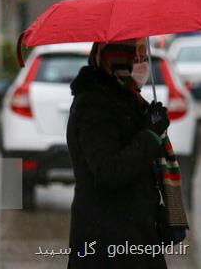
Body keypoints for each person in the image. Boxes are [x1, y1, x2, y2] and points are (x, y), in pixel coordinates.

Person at [66, 38, 170, 268]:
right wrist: (150, 135)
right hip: (106, 245)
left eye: (144, 57)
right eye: (135, 57)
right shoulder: (93, 105)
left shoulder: (127, 98)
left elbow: (137, 168)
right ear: (113, 59)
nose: (142, 64)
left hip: (134, 239)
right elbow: (109, 171)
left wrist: (156, 213)